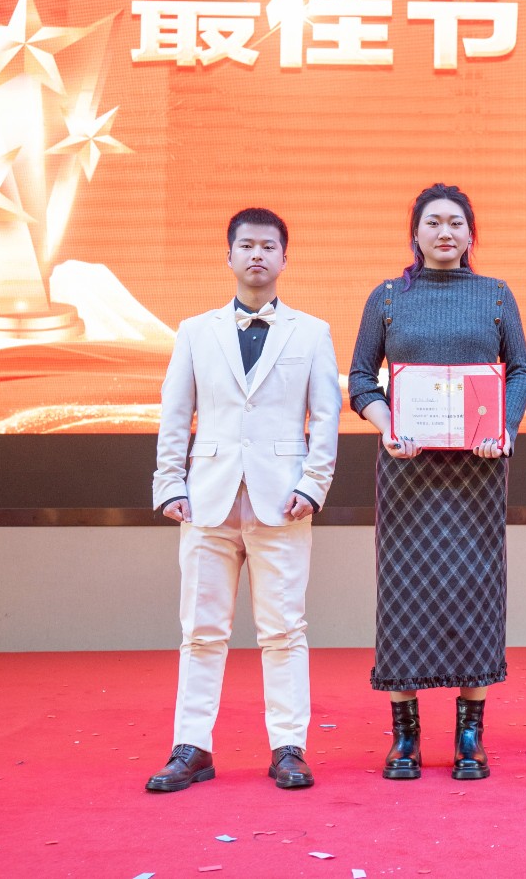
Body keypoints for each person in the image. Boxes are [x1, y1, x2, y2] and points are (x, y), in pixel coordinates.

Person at [145, 207, 340, 793]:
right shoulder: (194, 331)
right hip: (207, 498)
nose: (257, 255)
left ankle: (288, 748)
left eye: (268, 246)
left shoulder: (312, 332)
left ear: (285, 258)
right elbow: (176, 413)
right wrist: (169, 483)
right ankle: (191, 747)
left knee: (285, 630)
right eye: (247, 245)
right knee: (201, 631)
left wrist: (313, 485)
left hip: (284, 502)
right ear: (228, 256)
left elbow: (326, 416)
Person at [348, 182, 526, 780]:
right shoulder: (387, 297)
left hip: (478, 468)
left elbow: (520, 370)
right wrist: (387, 426)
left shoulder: (496, 295)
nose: (445, 232)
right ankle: (404, 734)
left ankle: (470, 734)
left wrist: (503, 427)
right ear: (415, 233)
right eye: (433, 222)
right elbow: (360, 380)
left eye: (456, 222)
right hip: (408, 469)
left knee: (476, 588)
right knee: (404, 592)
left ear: (471, 234)